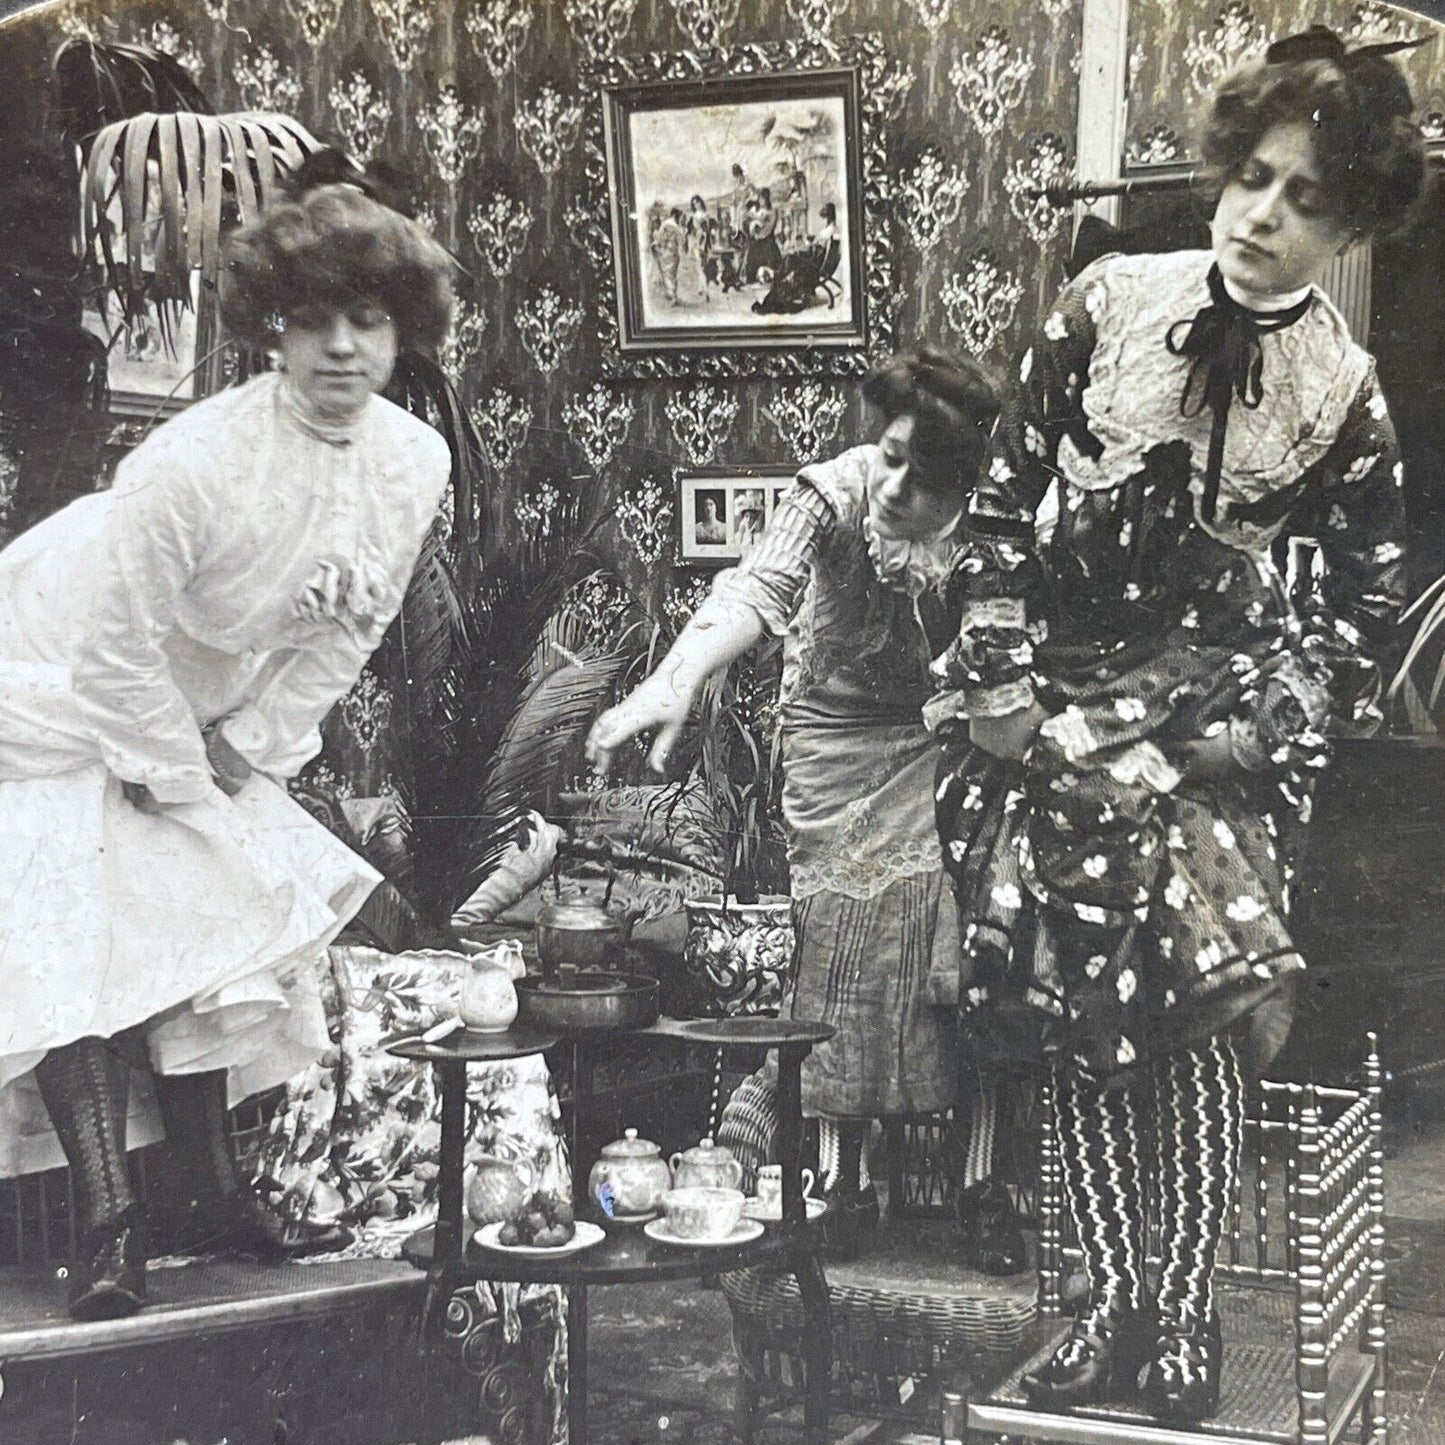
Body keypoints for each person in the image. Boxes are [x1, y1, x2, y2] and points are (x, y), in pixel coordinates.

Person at [928, 27, 1424, 1421]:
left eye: (1308, 199)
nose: (1265, 216)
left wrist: (1256, 726)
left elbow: (1354, 615)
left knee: (1197, 1037)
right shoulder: (1103, 305)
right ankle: (1094, 1314)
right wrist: (1005, 688)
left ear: (1353, 220)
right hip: (1058, 726)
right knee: (1079, 1028)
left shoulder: (1346, 394)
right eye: (1256, 178)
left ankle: (1187, 1322)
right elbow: (993, 514)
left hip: (1213, 746)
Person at [0, 152, 456, 1320]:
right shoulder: (191, 460)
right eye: (313, 324)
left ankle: (207, 1194)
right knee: (80, 925)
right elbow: (111, 652)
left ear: (403, 332)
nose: (342, 349)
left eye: (367, 321)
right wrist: (164, 764)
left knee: (206, 917)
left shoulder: (414, 463)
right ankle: (109, 1227)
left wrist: (249, 747)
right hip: (51, 660)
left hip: (203, 688)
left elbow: (346, 632)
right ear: (273, 333)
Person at [587, 346, 1005, 1258]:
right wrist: (679, 671)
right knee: (842, 954)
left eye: (925, 479)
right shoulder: (836, 492)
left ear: (966, 485)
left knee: (954, 941)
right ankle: (836, 1182)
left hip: (950, 736)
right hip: (834, 742)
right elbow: (757, 585)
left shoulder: (995, 531)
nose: (894, 487)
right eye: (890, 454)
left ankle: (982, 1186)